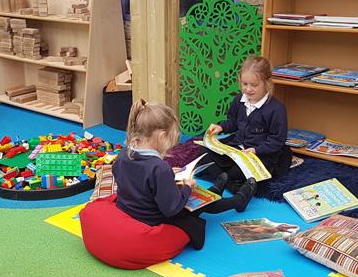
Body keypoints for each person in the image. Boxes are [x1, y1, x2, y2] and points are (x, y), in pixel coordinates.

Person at [112, 99, 257, 250]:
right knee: (197, 202)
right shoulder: (158, 167)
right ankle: (238, 200)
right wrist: (187, 188)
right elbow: (171, 208)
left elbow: (137, 177)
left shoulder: (124, 154)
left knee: (191, 195)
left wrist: (169, 175)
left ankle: (215, 191)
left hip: (131, 209)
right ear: (161, 136)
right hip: (153, 217)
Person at [204, 55, 292, 194]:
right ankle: (234, 186)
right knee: (203, 157)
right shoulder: (239, 99)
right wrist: (221, 127)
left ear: (267, 83)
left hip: (261, 152)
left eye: (254, 85)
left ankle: (229, 182)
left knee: (236, 171)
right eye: (244, 84)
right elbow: (233, 122)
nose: (248, 89)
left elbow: (277, 140)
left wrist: (256, 150)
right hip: (237, 146)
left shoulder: (276, 108)